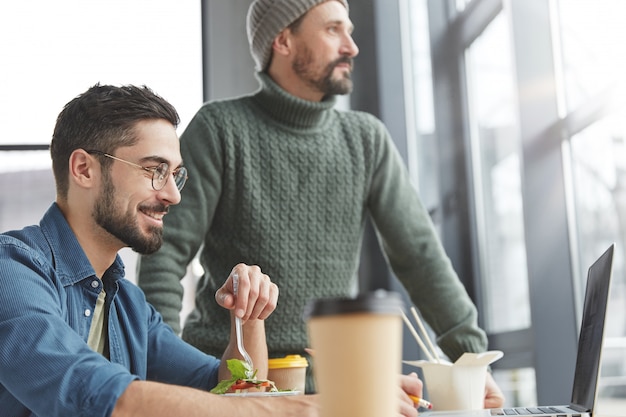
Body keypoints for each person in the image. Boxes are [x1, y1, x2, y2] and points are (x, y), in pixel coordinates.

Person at [137, 0, 505, 407]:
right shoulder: (220, 129)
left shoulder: (366, 139)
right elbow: (164, 253)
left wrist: (470, 358)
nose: (351, 46)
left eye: (348, 30)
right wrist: (163, 366)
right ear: (283, 40)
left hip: (333, 385)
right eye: (333, 30)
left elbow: (420, 257)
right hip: (233, 382)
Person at [0, 84, 424, 417]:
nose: (173, 195)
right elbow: (94, 393)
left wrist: (248, 319)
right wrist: (303, 408)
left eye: (176, 175)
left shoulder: (128, 304)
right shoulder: (14, 270)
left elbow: (225, 387)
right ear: (84, 168)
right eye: (154, 171)